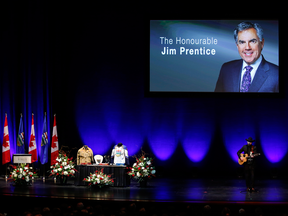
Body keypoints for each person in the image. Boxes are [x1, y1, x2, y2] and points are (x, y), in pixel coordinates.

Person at [215, 21, 278, 92]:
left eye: (252, 41)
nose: (247, 47)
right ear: (237, 45)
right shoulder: (226, 69)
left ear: (262, 43)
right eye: (242, 42)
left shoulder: (277, 75)